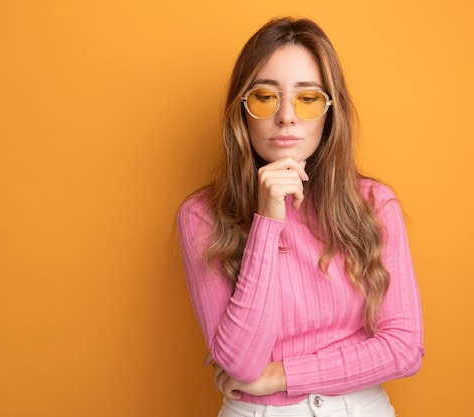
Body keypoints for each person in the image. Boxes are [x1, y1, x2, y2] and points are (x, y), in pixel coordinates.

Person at [177, 16, 424, 417]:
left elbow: (404, 347)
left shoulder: (374, 203)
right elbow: (240, 364)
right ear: (242, 110)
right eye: (265, 96)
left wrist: (281, 376)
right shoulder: (202, 216)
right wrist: (266, 221)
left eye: (308, 99)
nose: (287, 116)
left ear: (330, 112)